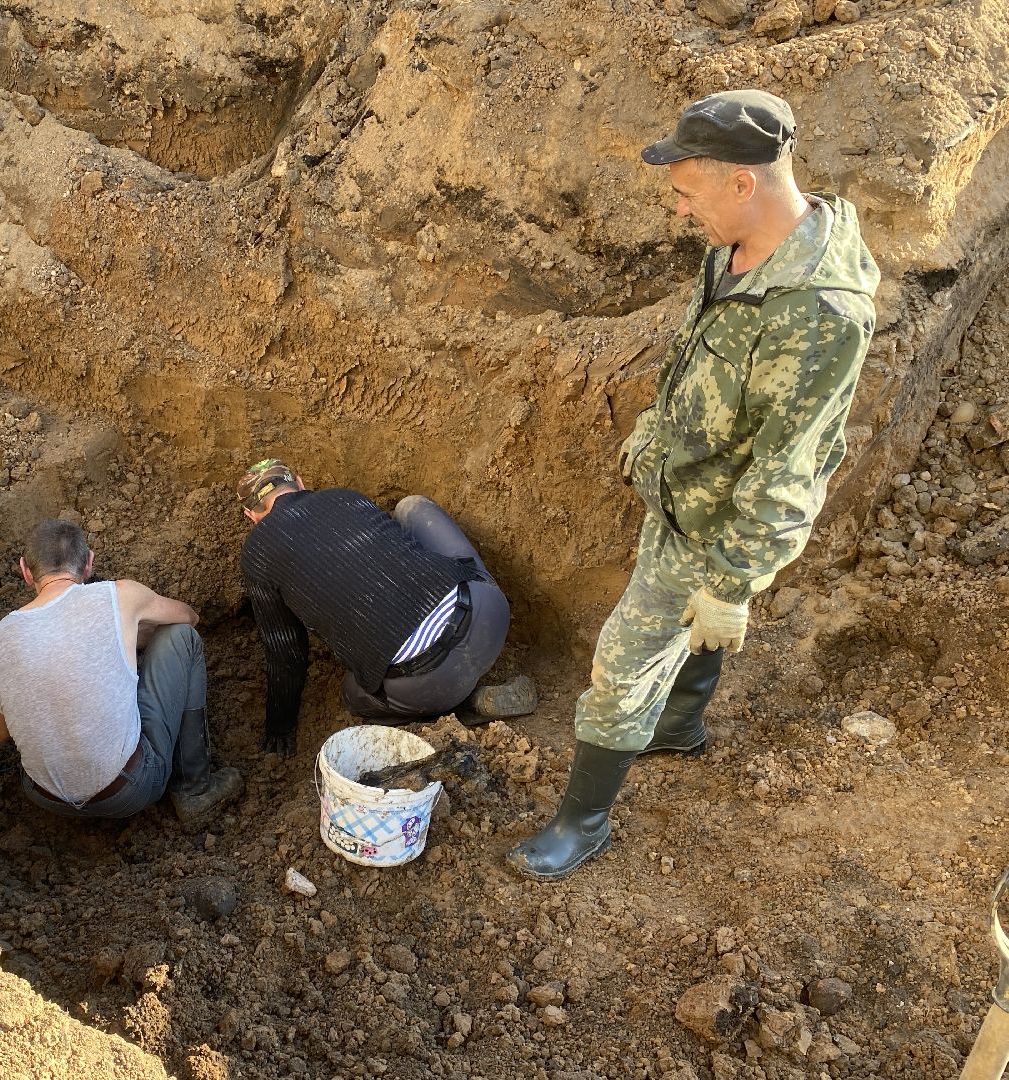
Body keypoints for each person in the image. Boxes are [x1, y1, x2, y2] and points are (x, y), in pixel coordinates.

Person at [506, 90, 879, 880]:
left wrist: (734, 580)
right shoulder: (738, 249)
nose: (678, 212)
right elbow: (695, 353)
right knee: (692, 628)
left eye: (686, 192)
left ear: (742, 183)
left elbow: (791, 467)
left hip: (719, 522)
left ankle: (583, 821)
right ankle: (679, 727)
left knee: (624, 657)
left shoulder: (818, 312)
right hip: (686, 487)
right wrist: (652, 433)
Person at [237, 460, 537, 756]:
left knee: (353, 695)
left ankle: (467, 705)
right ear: (299, 483)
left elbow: (285, 652)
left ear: (252, 515)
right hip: (489, 618)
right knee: (411, 507)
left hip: (427, 686)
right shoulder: (344, 496)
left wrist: (279, 727)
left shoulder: (257, 555)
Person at [0, 518, 243, 825]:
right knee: (181, 638)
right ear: (89, 564)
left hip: (44, 797)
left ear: (25, 571)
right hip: (129, 791)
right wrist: (133, 631)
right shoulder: (118, 595)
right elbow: (189, 617)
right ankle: (196, 789)